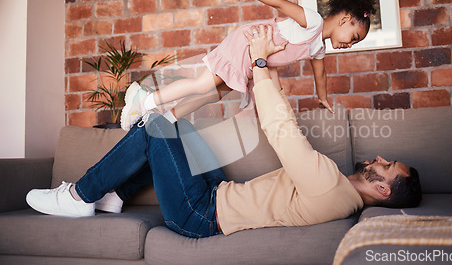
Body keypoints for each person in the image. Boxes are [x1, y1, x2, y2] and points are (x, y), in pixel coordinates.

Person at [26, 25, 421, 239]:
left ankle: (81, 195)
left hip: (198, 214)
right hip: (216, 195)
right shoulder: (334, 187)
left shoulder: (331, 188)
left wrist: (262, 61)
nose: (379, 159)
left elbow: (281, 131)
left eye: (388, 167)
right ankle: (116, 195)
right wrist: (270, 82)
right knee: (176, 125)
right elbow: (283, 124)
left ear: (382, 190)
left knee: (158, 123)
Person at [120, 0, 376, 131]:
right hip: (246, 45)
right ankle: (143, 100)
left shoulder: (318, 47)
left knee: (211, 95)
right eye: (353, 38)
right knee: (202, 84)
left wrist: (323, 98)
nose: (350, 45)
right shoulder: (312, 21)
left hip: (256, 62)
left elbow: (320, 74)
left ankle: (166, 119)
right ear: (344, 20)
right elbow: (277, 2)